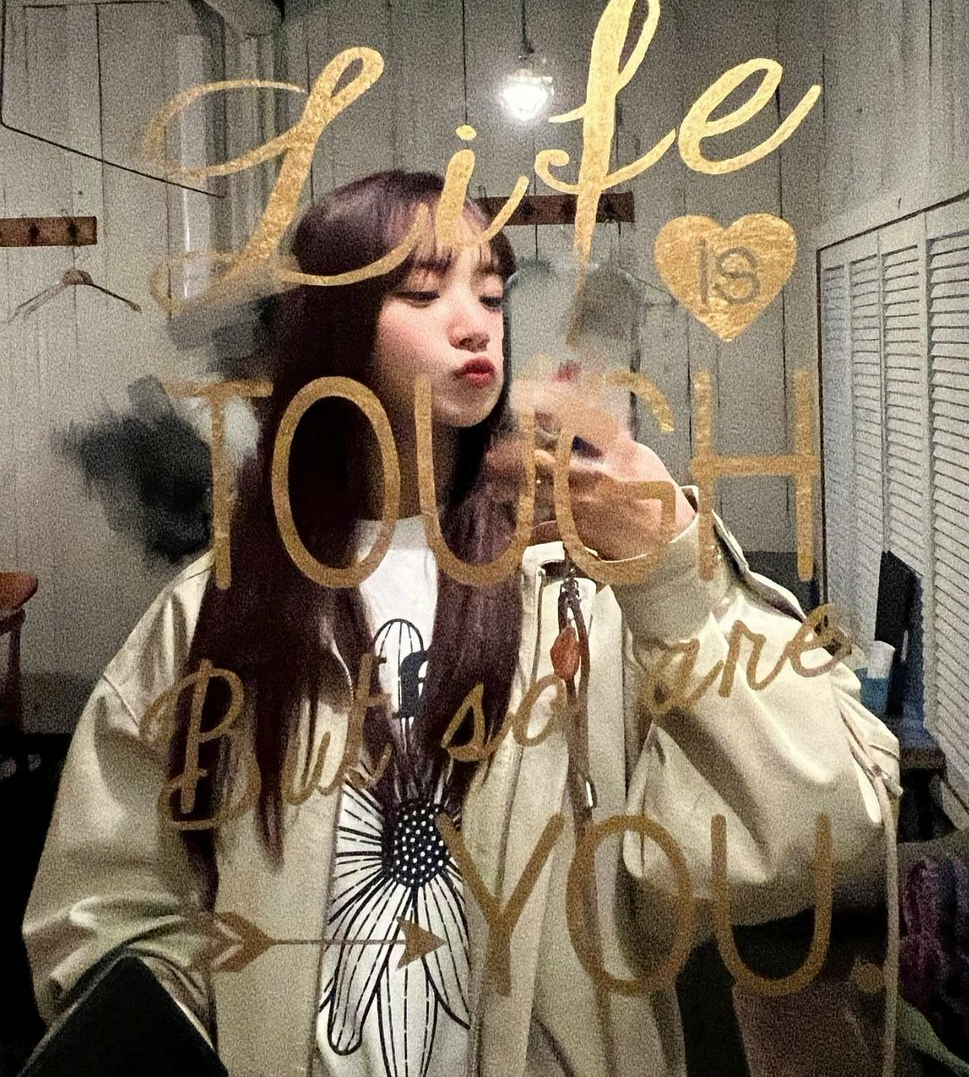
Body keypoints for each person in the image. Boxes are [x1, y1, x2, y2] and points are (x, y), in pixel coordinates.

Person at [24, 171, 901, 1077]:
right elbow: (108, 904)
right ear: (328, 330)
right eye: (421, 292)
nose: (476, 323)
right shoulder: (219, 607)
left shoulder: (581, 587)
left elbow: (824, 834)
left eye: (489, 293)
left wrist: (674, 573)